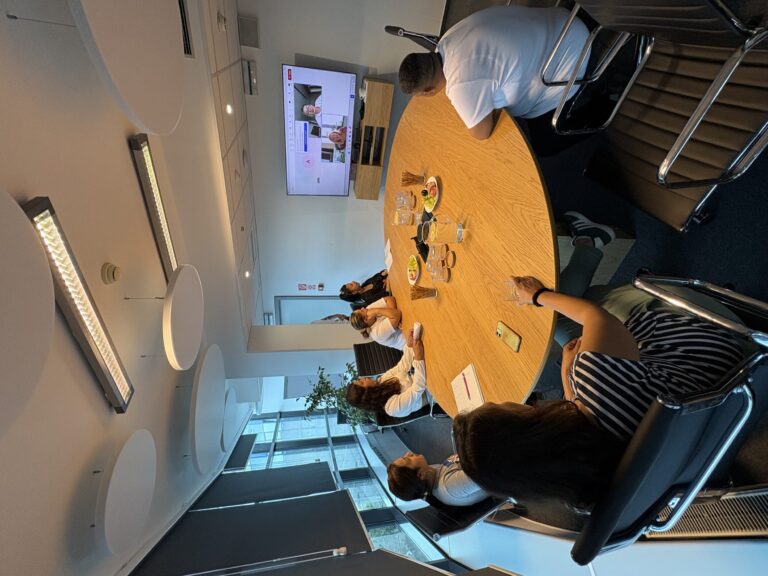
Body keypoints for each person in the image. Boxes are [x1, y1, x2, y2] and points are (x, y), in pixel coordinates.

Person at [452, 211, 745, 507]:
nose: (506, 403)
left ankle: (590, 242)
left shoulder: (581, 486)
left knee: (562, 327)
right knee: (580, 300)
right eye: (499, 408)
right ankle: (590, 242)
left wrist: (567, 379)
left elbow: (587, 418)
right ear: (522, 428)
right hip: (713, 343)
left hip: (717, 412)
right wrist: (537, 295)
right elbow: (594, 316)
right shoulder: (592, 376)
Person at [398, 5, 590, 140]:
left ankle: (596, 107)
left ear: (428, 91)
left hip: (572, 60)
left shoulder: (460, 85)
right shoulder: (447, 38)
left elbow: (482, 133)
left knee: (542, 143)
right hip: (564, 20)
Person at [346, 328, 428, 417]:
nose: (364, 378)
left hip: (422, 375)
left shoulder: (382, 381)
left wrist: (409, 346)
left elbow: (402, 367)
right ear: (367, 394)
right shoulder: (392, 408)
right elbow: (417, 389)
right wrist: (418, 358)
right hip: (429, 392)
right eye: (362, 382)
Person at [387, 451, 488, 507]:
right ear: (421, 474)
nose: (408, 453)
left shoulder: (430, 472)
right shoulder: (449, 487)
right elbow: (489, 471)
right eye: (408, 459)